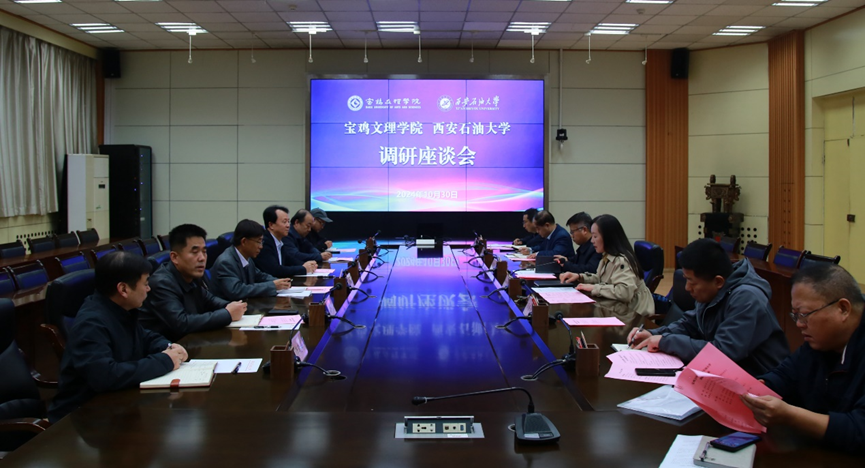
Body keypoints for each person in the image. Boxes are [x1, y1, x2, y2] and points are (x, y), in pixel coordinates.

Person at [48, 252, 188, 422]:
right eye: (145, 283)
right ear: (123, 289)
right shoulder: (91, 323)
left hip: (114, 406)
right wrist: (165, 361)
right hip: (81, 417)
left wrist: (167, 346)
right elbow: (106, 376)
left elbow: (144, 337)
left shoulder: (119, 309)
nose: (148, 289)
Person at [741, 264, 865, 454]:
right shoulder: (821, 341)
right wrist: (760, 387)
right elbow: (787, 374)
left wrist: (790, 415)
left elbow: (860, 430)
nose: (799, 324)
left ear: (843, 309)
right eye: (796, 315)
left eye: (805, 314)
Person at [629, 238, 789, 375]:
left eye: (691, 281)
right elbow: (690, 324)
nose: (687, 288)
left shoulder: (747, 298)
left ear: (718, 281)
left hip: (762, 383)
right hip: (728, 374)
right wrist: (653, 334)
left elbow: (723, 351)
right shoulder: (712, 291)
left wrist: (666, 341)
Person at [140, 224, 247, 341]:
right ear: (174, 257)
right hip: (165, 347)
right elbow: (182, 323)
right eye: (195, 252)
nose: (202, 258)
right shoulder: (162, 283)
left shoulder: (192, 275)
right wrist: (227, 314)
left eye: (204, 252)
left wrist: (234, 306)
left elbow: (209, 300)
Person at [560, 214, 654, 316]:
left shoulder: (622, 261)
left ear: (608, 237)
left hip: (633, 315)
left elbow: (624, 293)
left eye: (595, 236)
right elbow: (600, 279)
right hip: (617, 310)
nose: (592, 241)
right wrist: (579, 277)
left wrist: (594, 288)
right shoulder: (607, 256)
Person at [210, 219, 292, 301]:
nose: (261, 246)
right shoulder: (226, 262)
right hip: (227, 307)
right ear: (244, 241)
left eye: (262, 242)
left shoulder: (246, 257)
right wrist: (272, 285)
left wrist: (279, 282)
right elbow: (237, 291)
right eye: (258, 242)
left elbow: (260, 276)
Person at [258, 205, 317, 277]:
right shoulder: (264, 242)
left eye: (288, 221)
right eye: (284, 222)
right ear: (271, 225)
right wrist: (303, 269)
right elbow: (275, 270)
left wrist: (306, 265)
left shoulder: (280, 241)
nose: (288, 225)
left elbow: (289, 260)